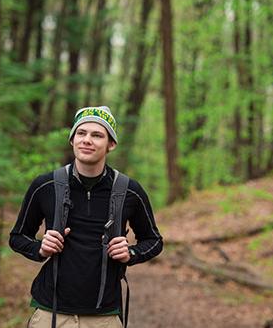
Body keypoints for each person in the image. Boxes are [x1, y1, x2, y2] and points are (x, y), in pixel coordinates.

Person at [9, 106, 163, 328]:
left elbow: (154, 241)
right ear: (72, 140)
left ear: (111, 144)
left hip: (105, 317)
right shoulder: (45, 186)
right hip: (50, 313)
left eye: (97, 135)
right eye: (81, 133)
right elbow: (17, 236)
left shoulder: (129, 191)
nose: (87, 140)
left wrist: (130, 252)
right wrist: (40, 248)